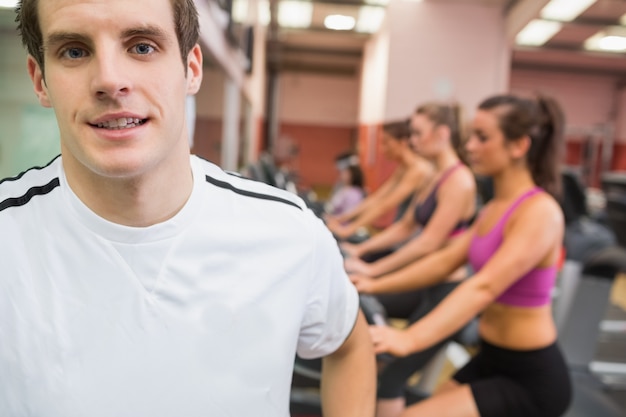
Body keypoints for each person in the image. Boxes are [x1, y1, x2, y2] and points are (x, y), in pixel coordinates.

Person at [0, 1, 376, 416]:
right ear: (40, 80)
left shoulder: (289, 233)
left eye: (142, 47)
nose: (109, 79)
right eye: (74, 51)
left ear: (191, 68)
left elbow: (348, 343)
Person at [359, 94, 572, 417]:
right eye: (471, 135)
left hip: (531, 376)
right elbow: (443, 262)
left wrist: (410, 338)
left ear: (518, 146)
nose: (469, 146)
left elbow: (484, 286)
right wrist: (372, 283)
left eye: (482, 137)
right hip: (490, 358)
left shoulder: (540, 212)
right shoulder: (493, 209)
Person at [344, 102, 477, 417]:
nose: (412, 140)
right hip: (426, 283)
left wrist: (372, 272)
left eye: (417, 133)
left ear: (442, 134)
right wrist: (360, 253)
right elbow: (406, 227)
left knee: (392, 378)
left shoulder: (459, 181)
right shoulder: (435, 175)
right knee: (357, 308)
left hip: (447, 292)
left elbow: (429, 243)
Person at [325, 119, 433, 240]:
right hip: (401, 231)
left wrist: (349, 229)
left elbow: (385, 204)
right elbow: (377, 197)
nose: (382, 148)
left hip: (414, 235)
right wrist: (341, 218)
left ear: (403, 143)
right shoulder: (403, 168)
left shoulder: (419, 169)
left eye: (386, 142)